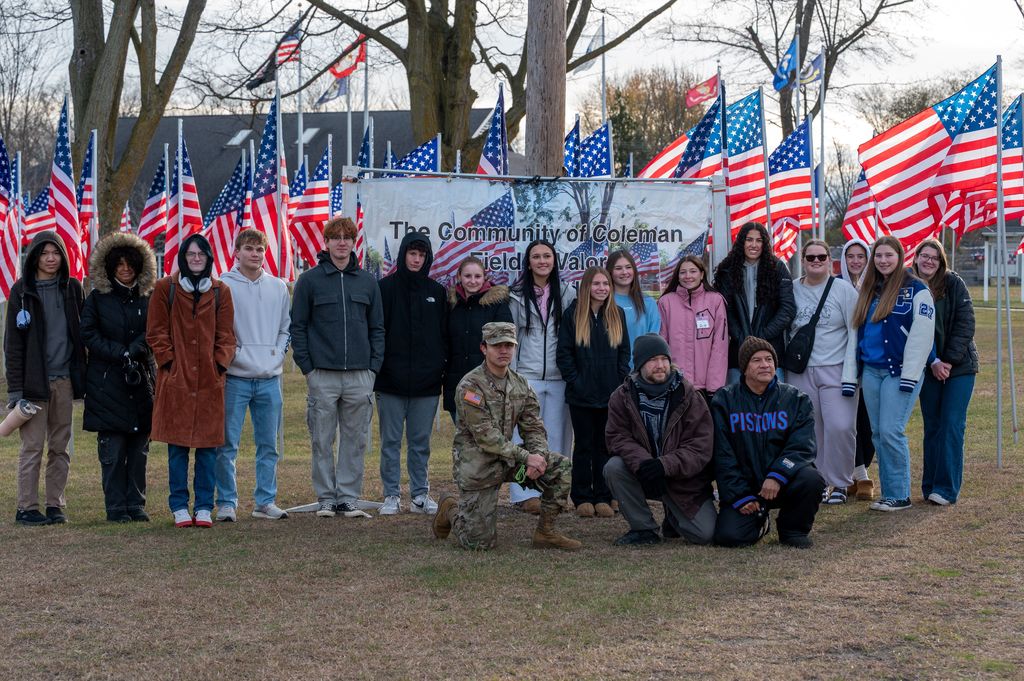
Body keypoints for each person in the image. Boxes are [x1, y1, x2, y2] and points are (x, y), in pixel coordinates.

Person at [431, 322, 580, 551]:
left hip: (511, 462)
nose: (504, 351)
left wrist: (538, 456)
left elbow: (533, 428)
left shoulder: (521, 384)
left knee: (561, 467)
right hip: (478, 467)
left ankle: (545, 532)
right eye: (497, 345)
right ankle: (450, 509)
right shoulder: (470, 386)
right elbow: (486, 437)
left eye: (509, 345)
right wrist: (526, 457)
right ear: (484, 348)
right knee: (478, 544)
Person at [291, 217, 384, 519]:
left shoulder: (368, 282)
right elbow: (299, 327)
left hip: (360, 375)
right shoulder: (309, 281)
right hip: (322, 375)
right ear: (327, 242)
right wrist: (307, 367)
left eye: (347, 237)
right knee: (321, 439)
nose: (341, 242)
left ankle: (347, 497)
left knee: (355, 440)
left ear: (353, 242)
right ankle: (326, 498)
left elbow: (377, 328)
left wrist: (373, 368)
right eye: (336, 237)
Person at [147, 233, 236, 528]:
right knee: (178, 447)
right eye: (190, 254)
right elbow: (156, 332)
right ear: (183, 258)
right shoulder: (165, 288)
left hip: (210, 381)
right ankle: (178, 506)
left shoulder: (220, 291)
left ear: (209, 257)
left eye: (201, 254)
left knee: (209, 449)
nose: (196, 259)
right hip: (177, 380)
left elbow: (227, 336)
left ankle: (203, 506)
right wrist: (170, 363)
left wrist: (220, 365)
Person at [604, 334, 717, 545]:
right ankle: (644, 529)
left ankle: (674, 517)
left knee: (705, 535)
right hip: (644, 472)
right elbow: (617, 437)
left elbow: (700, 446)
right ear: (639, 365)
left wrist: (664, 465)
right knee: (614, 467)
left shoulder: (689, 395)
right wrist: (645, 463)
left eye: (664, 359)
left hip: (683, 481)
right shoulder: (622, 396)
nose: (660, 365)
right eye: (652, 360)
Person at [712, 337, 824, 548]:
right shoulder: (724, 401)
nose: (765, 365)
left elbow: (802, 447)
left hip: (782, 482)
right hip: (746, 486)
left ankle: (792, 529)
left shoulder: (797, 399)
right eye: (756, 360)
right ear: (744, 367)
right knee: (730, 537)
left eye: (769, 359)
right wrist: (741, 495)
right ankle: (759, 519)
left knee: (811, 479)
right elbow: (722, 455)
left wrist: (778, 475)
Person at [5, 232, 85, 526]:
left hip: (65, 381)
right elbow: (12, 345)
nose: (51, 258)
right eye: (44, 253)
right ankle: (26, 507)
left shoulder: (73, 289)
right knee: (32, 447)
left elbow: (83, 333)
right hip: (33, 385)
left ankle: (55, 505)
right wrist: (16, 390)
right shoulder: (21, 292)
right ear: (35, 258)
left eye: (56, 253)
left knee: (60, 447)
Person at [850, 236, 935, 512]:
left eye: (889, 255)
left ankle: (899, 495)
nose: (883, 260)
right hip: (871, 371)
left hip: (899, 372)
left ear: (899, 257)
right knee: (877, 433)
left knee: (891, 431)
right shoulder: (869, 289)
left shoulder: (916, 289)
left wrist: (911, 375)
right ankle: (888, 494)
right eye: (879, 256)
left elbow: (922, 336)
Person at [80, 232, 157, 523]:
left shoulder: (148, 297)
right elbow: (88, 333)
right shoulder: (98, 298)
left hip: (142, 381)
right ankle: (115, 508)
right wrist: (118, 352)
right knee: (112, 450)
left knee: (139, 450)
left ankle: (136, 505)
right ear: (110, 266)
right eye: (119, 264)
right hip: (106, 381)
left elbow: (155, 330)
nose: (125, 269)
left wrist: (135, 350)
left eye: (130, 264)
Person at [215, 229, 291, 522]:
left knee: (268, 445)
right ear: (237, 252)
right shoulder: (223, 285)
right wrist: (233, 355)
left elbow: (286, 327)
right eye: (249, 248)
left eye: (259, 249)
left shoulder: (278, 287)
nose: (255, 254)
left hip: (269, 378)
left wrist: (277, 352)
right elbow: (220, 331)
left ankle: (265, 501)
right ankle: (226, 502)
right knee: (227, 444)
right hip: (235, 378)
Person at [375, 231, 447, 515]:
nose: (416, 259)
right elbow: (378, 333)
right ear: (403, 254)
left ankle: (419, 494)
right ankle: (391, 495)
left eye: (421, 255)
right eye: (412, 254)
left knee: (420, 443)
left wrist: (437, 370)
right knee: (390, 442)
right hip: (390, 382)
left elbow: (443, 337)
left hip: (426, 385)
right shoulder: (384, 289)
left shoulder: (437, 292)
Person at [786, 240, 859, 504]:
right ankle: (817, 481)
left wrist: (852, 373)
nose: (815, 261)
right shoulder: (792, 289)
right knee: (810, 429)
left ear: (830, 260)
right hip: (801, 370)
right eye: (810, 257)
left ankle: (840, 482)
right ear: (803, 261)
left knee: (840, 426)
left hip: (837, 368)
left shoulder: (843, 290)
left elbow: (855, 331)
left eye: (821, 257)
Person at [556, 266, 630, 518]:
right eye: (596, 284)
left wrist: (620, 381)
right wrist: (577, 382)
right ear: (587, 287)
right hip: (582, 396)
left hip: (610, 394)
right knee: (584, 446)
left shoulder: (616, 314)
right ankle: (582, 496)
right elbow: (564, 354)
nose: (602, 288)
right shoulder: (573, 315)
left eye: (605, 284)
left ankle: (603, 495)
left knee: (605, 446)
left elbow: (624, 354)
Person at [508, 239, 576, 513]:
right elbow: (510, 337)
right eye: (536, 256)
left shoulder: (569, 293)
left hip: (559, 377)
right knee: (524, 440)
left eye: (547, 256)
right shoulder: (515, 295)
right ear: (528, 262)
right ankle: (523, 495)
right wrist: (512, 377)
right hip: (527, 376)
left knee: (559, 439)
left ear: (554, 260)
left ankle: (554, 494)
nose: (542, 261)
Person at [913, 238, 977, 506]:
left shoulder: (953, 283)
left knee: (951, 424)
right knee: (933, 427)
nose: (928, 261)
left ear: (940, 262)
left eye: (934, 257)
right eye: (924, 256)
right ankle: (930, 486)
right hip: (928, 368)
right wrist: (933, 362)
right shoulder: (909, 286)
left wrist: (947, 360)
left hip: (959, 367)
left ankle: (946, 489)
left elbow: (966, 323)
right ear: (915, 258)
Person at [712, 222, 795, 384]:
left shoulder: (777, 268)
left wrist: (762, 336)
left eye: (759, 240)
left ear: (764, 243)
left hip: (770, 352)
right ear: (741, 242)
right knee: (738, 406)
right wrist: (742, 337)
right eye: (749, 240)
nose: (754, 245)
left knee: (774, 406)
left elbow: (787, 309)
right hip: (738, 352)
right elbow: (723, 310)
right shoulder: (727, 270)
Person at [443, 256, 513, 423]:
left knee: (487, 441)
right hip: (457, 382)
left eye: (477, 276)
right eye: (468, 276)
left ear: (485, 277)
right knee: (463, 440)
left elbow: (506, 342)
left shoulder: (497, 305)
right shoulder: (452, 305)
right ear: (459, 277)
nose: (473, 281)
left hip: (488, 385)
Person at [657, 255, 728, 403]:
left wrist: (714, 386)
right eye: (683, 272)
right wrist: (667, 378)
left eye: (693, 271)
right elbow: (661, 343)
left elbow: (719, 347)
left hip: (705, 387)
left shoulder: (715, 300)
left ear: (702, 274)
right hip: (675, 384)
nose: (687, 276)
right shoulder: (666, 302)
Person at [839, 238, 876, 499]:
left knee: (869, 422)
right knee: (850, 420)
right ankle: (861, 475)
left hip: (872, 360)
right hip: (843, 362)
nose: (855, 261)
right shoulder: (836, 286)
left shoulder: (876, 286)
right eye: (850, 256)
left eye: (861, 256)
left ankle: (856, 471)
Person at [606, 249, 660, 369]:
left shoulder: (648, 303)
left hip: (641, 372)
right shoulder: (604, 302)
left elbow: (653, 340)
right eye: (618, 268)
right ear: (610, 272)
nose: (624, 272)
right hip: (611, 372)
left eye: (628, 267)